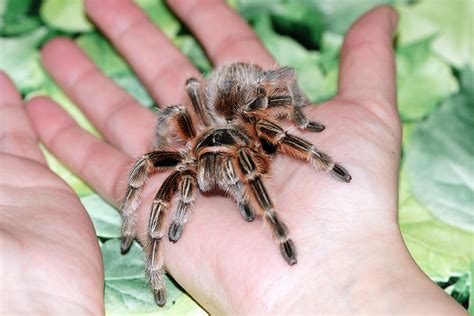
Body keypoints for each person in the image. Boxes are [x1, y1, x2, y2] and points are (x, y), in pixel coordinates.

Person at [0, 0, 467, 314]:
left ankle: (277, 227)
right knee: (155, 188)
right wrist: (134, 222)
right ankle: (149, 262)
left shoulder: (256, 129)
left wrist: (305, 131)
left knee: (259, 136)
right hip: (204, 133)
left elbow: (275, 116)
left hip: (239, 108)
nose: (209, 179)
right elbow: (157, 156)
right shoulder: (189, 156)